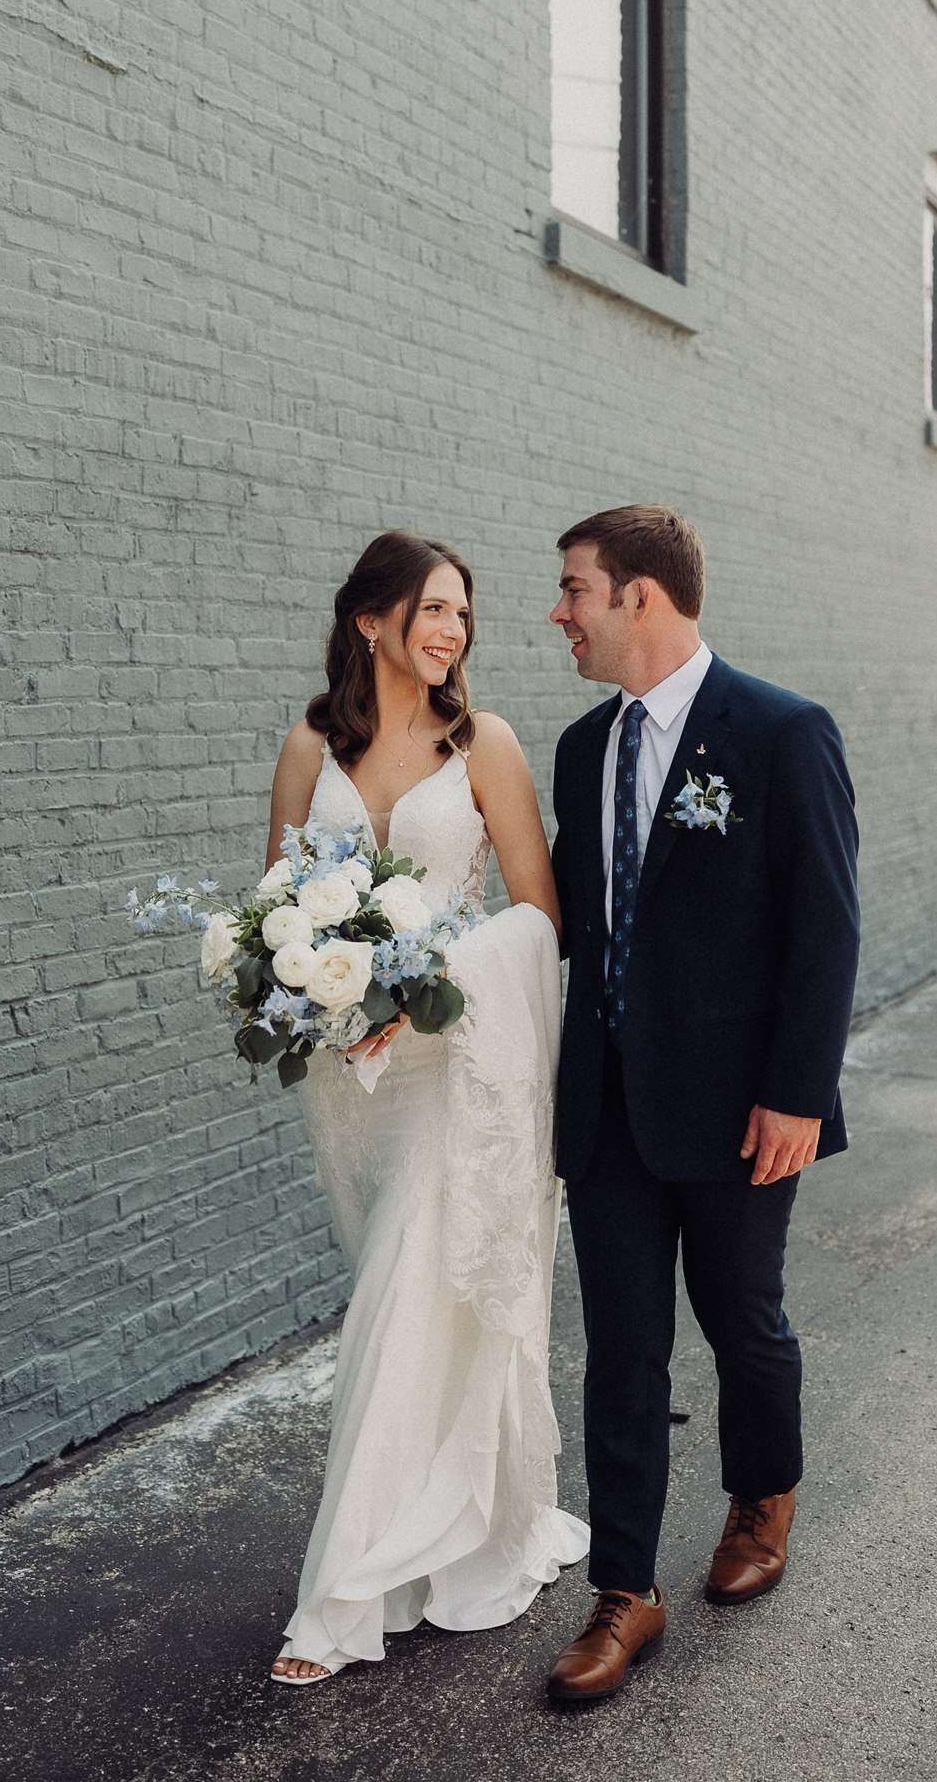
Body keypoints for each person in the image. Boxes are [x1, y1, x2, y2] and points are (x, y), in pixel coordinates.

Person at [543, 505, 860, 1702]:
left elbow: (825, 929)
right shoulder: (583, 749)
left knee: (745, 1322)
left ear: (641, 596)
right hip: (610, 1105)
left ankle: (760, 1496)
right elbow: (572, 918)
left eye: (575, 587)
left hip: (739, 1111)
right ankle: (624, 1588)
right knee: (621, 1348)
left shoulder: (781, 732)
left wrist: (795, 1093)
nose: (559, 611)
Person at [265, 529, 589, 1685]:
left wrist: (433, 989)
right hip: (366, 1078)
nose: (453, 630)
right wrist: (306, 980)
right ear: (370, 621)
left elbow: (539, 913)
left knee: (405, 1296)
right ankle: (447, 1530)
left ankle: (339, 1601)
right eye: (433, 609)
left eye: (463, 612)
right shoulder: (314, 744)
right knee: (415, 1297)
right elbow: (280, 901)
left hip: (464, 1065)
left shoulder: (484, 743)